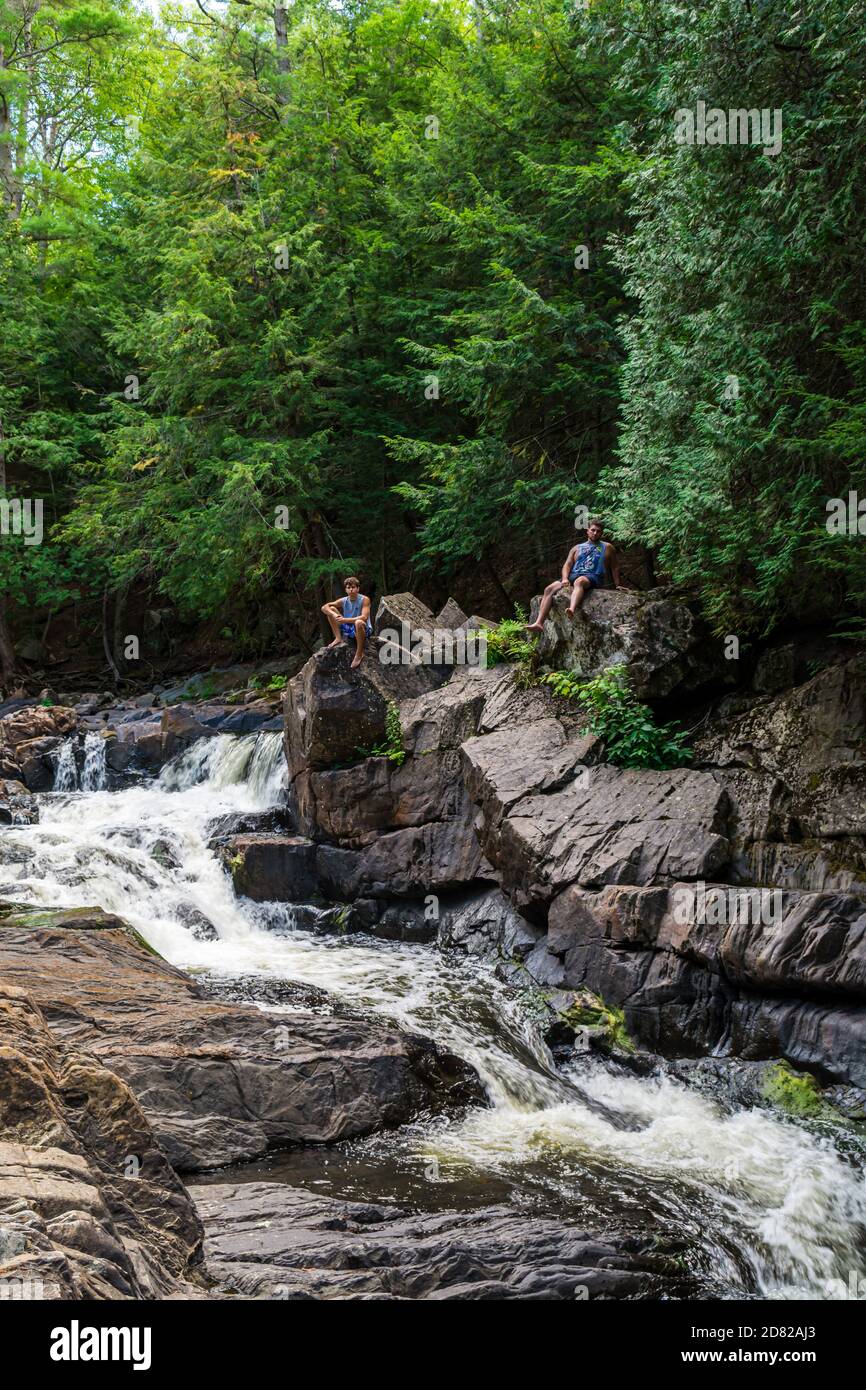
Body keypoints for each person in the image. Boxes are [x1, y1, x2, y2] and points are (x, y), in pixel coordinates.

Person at [526, 518, 622, 634]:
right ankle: (539, 623)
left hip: (593, 576)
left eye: (598, 531)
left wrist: (618, 584)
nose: (595, 533)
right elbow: (567, 565)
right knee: (549, 589)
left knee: (579, 582)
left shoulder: (608, 547)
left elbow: (615, 566)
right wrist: (565, 578)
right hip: (574, 574)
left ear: (601, 533)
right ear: (587, 531)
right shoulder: (577, 548)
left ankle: (571, 608)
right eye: (593, 530)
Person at [321, 577, 373, 669]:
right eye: (348, 588)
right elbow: (324, 607)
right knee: (331, 609)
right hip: (348, 628)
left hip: (363, 628)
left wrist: (344, 620)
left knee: (358, 622)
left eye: (353, 587)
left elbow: (364, 617)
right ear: (346, 589)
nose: (351, 590)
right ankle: (338, 638)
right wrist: (334, 614)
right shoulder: (344, 600)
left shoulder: (364, 600)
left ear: (358, 588)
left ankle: (359, 653)